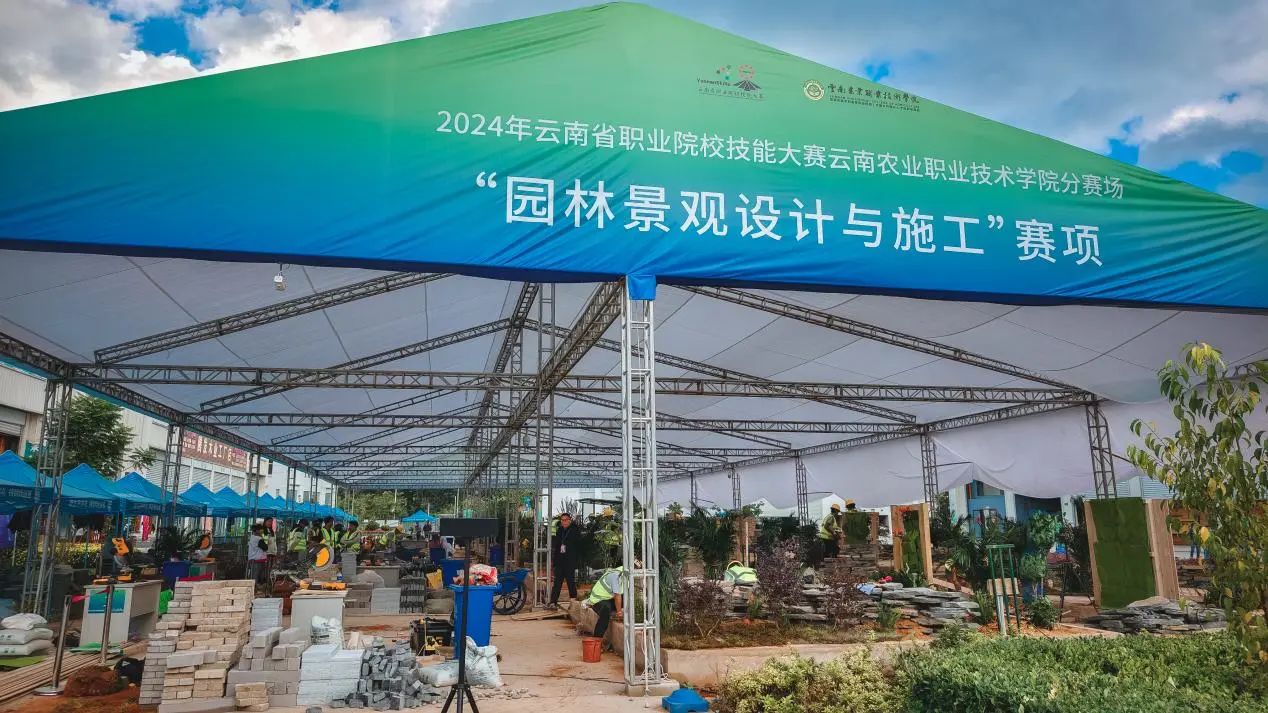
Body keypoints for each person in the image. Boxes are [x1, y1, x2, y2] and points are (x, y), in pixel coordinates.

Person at [584, 564, 629, 642]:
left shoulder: (626, 575)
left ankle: (614, 613)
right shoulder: (615, 575)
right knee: (606, 610)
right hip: (598, 600)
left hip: (609, 598)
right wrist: (619, 612)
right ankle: (597, 640)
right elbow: (617, 596)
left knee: (628, 598)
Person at [549, 512, 580, 607]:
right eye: (562, 520)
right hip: (560, 561)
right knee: (557, 583)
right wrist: (554, 561)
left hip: (570, 561)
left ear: (569, 520)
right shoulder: (560, 530)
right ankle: (553, 602)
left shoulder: (575, 530)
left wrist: (576, 562)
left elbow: (578, 547)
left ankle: (573, 603)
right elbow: (557, 546)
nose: (564, 522)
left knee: (571, 582)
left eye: (566, 520)